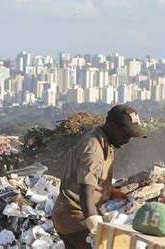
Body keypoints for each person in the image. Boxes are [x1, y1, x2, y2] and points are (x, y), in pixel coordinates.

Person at [52, 105, 147, 249]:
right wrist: (95, 228)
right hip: (75, 217)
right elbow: (85, 192)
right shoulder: (94, 150)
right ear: (112, 126)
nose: (128, 140)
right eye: (125, 134)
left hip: (68, 215)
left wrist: (113, 193)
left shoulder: (104, 141)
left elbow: (96, 181)